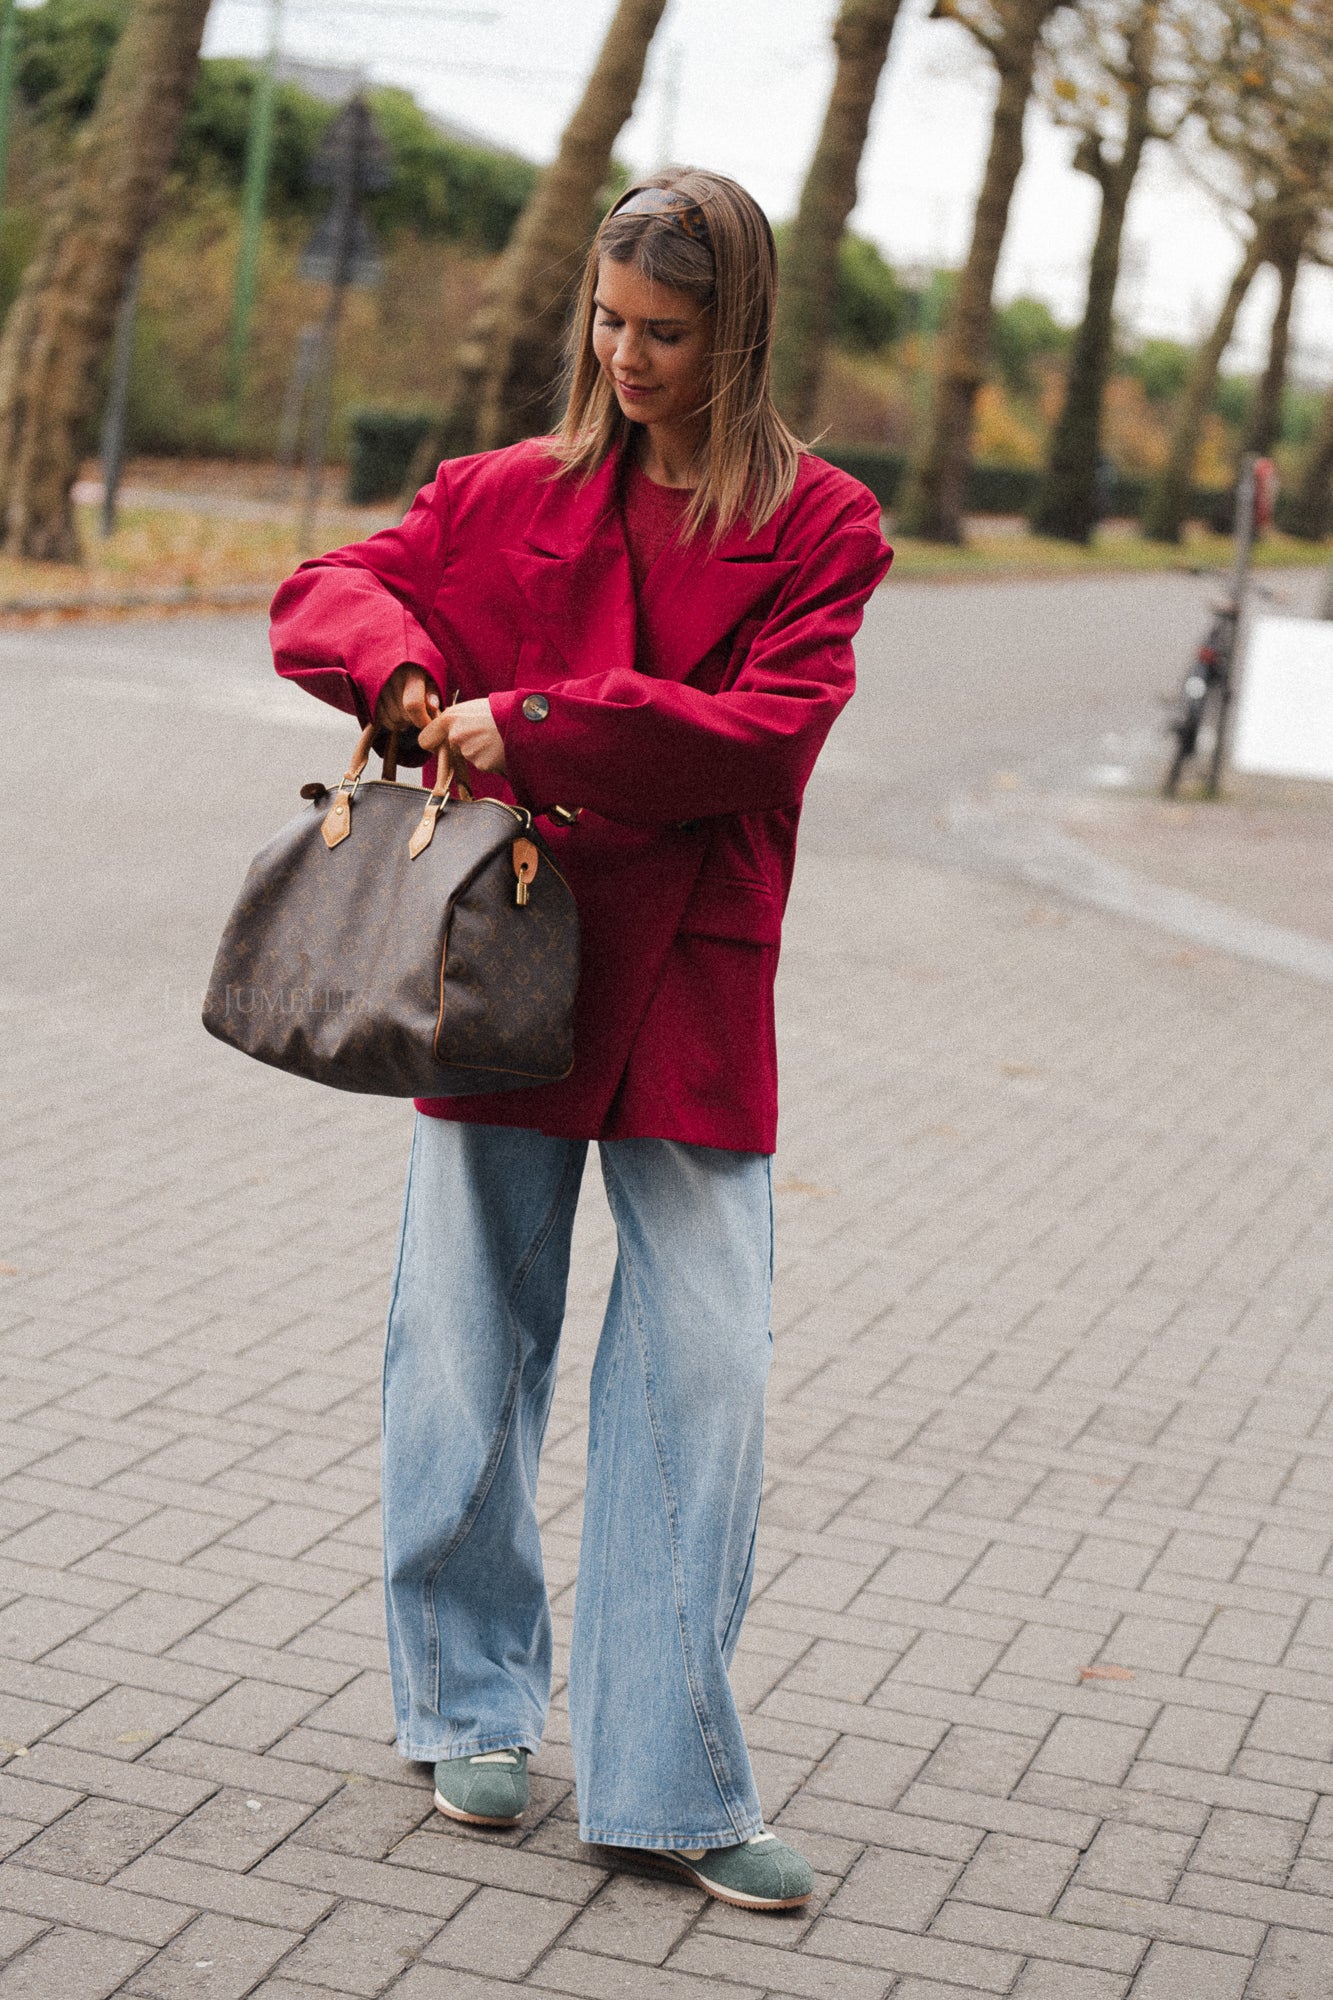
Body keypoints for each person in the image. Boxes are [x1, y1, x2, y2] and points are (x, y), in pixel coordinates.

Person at [270, 167, 892, 1913]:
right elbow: (326, 586)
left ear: (739, 330)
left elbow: (760, 739)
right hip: (501, 966)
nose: (626, 354)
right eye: (609, 322)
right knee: (462, 1352)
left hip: (691, 981)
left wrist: (533, 717)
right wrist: (401, 680)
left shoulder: (825, 526)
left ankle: (662, 1780)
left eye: (665, 332)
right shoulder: (498, 496)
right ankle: (468, 1701)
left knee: (703, 1380)